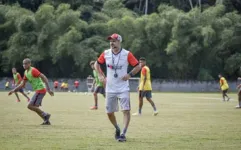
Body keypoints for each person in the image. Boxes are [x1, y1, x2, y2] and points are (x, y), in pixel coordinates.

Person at [94, 33, 141, 142]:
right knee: (109, 112)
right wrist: (101, 75)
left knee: (126, 110)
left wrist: (129, 75)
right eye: (110, 41)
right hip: (110, 88)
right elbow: (97, 64)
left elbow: (138, 66)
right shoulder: (106, 53)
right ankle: (117, 128)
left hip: (123, 88)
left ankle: (123, 134)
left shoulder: (127, 54)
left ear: (119, 42)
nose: (112, 43)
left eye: (114, 41)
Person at [8, 58, 54, 125]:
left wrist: (48, 89)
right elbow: (22, 84)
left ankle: (46, 115)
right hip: (38, 90)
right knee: (35, 107)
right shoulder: (26, 72)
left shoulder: (33, 70)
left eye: (26, 63)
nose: (24, 65)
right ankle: (46, 121)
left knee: (29, 106)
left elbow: (43, 77)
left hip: (40, 89)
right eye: (23, 64)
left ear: (29, 64)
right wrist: (13, 90)